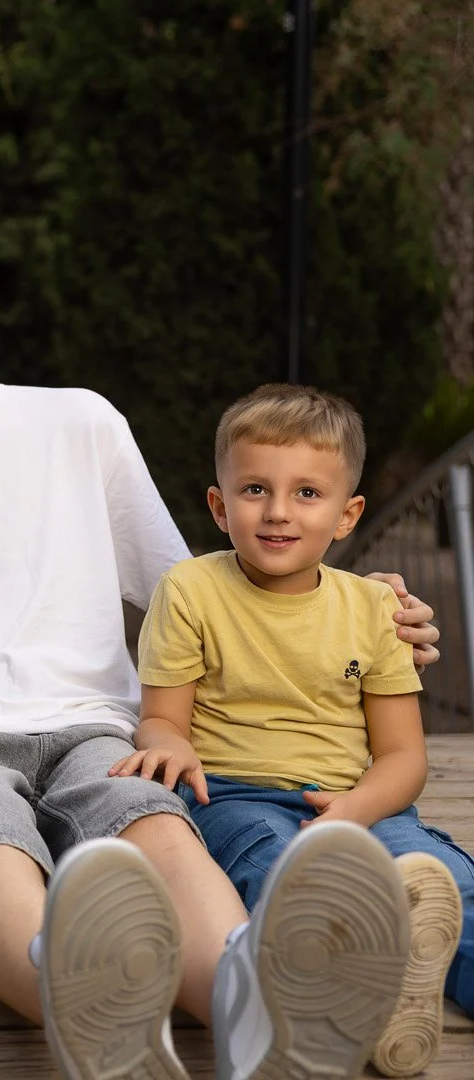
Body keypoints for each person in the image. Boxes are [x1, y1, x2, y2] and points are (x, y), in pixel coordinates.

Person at [0, 202, 443, 1080]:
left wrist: (356, 605)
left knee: (151, 820)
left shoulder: (78, 425)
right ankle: (84, 1007)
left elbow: (207, 593)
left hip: (93, 722)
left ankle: (256, 1012)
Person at [111, 383, 472, 1078]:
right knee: (278, 877)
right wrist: (171, 744)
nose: (278, 512)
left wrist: (352, 813)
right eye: (254, 490)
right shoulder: (190, 592)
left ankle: (404, 980)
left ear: (347, 514)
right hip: (236, 797)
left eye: (308, 493)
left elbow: (403, 757)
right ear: (219, 505)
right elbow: (161, 716)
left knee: (446, 884)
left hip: (359, 798)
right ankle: (364, 989)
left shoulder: (376, 608)